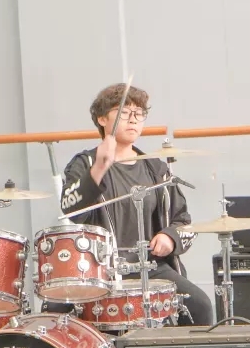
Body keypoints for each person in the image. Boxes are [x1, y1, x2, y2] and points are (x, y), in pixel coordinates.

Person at [48, 83, 214, 326]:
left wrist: (169, 237)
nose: (133, 119)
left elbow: (184, 222)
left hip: (151, 267)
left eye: (139, 113)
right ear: (102, 119)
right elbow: (71, 210)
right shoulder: (84, 164)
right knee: (54, 314)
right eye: (124, 112)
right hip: (99, 269)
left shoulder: (155, 168)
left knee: (200, 306)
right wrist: (99, 168)